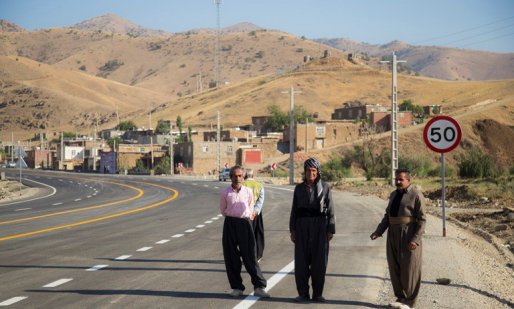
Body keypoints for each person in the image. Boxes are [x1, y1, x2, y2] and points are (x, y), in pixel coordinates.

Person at [370, 168, 426, 309]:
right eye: (396, 179)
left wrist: (415, 239)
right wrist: (379, 230)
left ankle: (410, 301)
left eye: (401, 179)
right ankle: (400, 297)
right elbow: (387, 216)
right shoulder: (394, 194)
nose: (398, 181)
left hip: (408, 234)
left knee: (409, 267)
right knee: (394, 266)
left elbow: (422, 220)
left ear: (408, 180)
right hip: (393, 234)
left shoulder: (416, 195)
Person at [219, 165, 270, 299]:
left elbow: (251, 206)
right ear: (230, 177)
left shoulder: (248, 191)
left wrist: (245, 218)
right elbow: (223, 210)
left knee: (250, 256)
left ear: (243, 177)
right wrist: (233, 217)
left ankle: (259, 286)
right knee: (231, 256)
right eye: (235, 176)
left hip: (245, 224)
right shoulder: (225, 193)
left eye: (240, 175)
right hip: (230, 224)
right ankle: (237, 287)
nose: (237, 178)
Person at [289, 157, 336, 303]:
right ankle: (303, 293)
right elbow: (294, 210)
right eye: (308, 170)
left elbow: (331, 210)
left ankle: (317, 294)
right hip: (302, 227)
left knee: (319, 262)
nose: (311, 173)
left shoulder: (325, 188)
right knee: (301, 262)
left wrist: (331, 229)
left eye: (314, 170)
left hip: (320, 226)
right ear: (305, 172)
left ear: (318, 172)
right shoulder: (299, 188)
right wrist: (293, 230)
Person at [243, 168, 265, 261]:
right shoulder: (259, 185)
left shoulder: (242, 185)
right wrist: (256, 211)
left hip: (245, 213)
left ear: (245, 176)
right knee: (258, 233)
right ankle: (258, 255)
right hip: (256, 214)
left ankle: (246, 255)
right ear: (252, 176)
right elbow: (261, 199)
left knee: (245, 235)